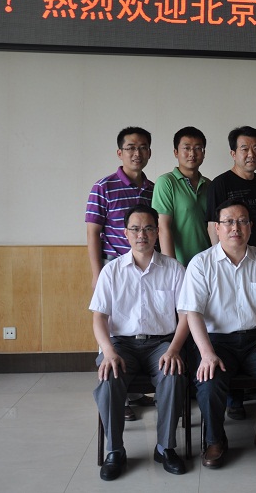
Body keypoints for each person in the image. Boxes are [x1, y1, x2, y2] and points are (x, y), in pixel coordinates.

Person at [178, 199, 256, 467]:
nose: (235, 228)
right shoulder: (201, 263)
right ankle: (215, 440)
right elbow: (192, 313)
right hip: (216, 342)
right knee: (208, 380)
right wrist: (206, 354)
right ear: (217, 228)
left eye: (242, 221)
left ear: (251, 227)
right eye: (228, 222)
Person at [90, 205, 188, 481]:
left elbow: (186, 316)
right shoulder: (111, 271)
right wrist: (108, 352)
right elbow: (99, 318)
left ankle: (165, 448)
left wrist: (174, 349)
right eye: (135, 229)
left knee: (173, 374)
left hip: (162, 344)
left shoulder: (174, 269)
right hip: (121, 345)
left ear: (157, 232)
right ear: (125, 233)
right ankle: (115, 451)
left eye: (148, 228)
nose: (141, 234)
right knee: (109, 376)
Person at [85, 126, 155, 421]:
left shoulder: (153, 189)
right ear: (119, 152)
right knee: (113, 329)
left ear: (149, 152)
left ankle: (137, 391)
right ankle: (119, 395)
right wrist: (96, 273)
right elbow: (93, 232)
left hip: (146, 268)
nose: (137, 153)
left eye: (142, 147)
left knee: (139, 323)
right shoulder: (103, 187)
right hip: (114, 267)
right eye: (130, 148)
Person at [204, 125, 256, 419]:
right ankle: (234, 399)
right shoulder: (219, 184)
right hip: (229, 262)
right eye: (244, 148)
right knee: (231, 320)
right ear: (233, 153)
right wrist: (222, 262)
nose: (251, 153)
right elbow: (213, 226)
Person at [152, 126, 211, 267]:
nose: (192, 153)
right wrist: (172, 267)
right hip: (180, 264)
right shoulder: (166, 182)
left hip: (207, 262)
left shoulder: (209, 185)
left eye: (198, 148)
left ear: (204, 153)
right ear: (176, 152)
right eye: (186, 148)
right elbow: (163, 227)